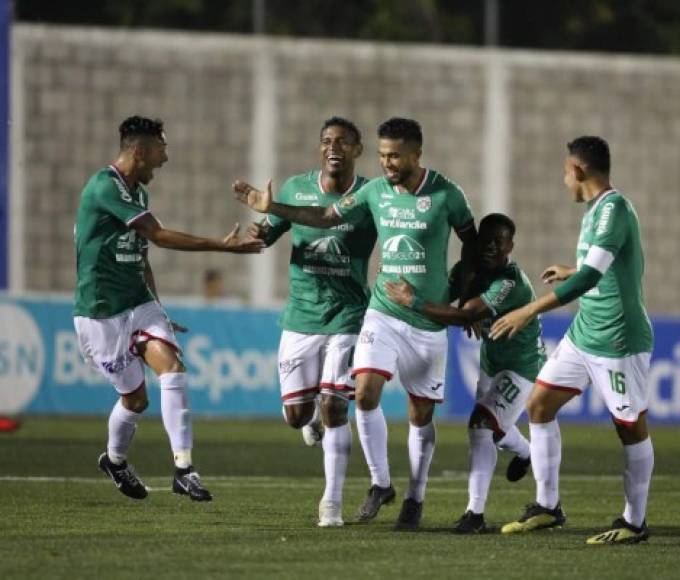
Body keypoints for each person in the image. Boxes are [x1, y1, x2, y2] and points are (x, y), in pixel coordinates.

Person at [234, 117, 477, 531]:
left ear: (417, 154)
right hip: (379, 311)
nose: (387, 163)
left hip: (425, 318)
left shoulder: (447, 194)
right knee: (359, 395)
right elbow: (327, 217)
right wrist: (270, 209)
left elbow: (472, 247)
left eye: (395, 155)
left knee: (419, 415)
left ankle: (414, 497)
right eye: (383, 155)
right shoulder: (374, 191)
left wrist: (462, 297)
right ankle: (377, 484)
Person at [74, 116, 264, 502]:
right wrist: (222, 246)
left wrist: (157, 308)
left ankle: (184, 469)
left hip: (138, 303)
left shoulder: (137, 193)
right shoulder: (104, 187)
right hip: (101, 310)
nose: (165, 158)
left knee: (173, 368)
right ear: (140, 151)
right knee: (135, 400)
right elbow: (158, 236)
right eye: (161, 148)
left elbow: (143, 256)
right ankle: (115, 459)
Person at [491, 136, 654, 545]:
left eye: (565, 171)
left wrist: (530, 309)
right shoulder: (596, 211)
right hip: (585, 333)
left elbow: (592, 278)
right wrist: (572, 268)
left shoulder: (614, 209)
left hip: (618, 339)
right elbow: (595, 265)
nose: (564, 179)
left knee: (630, 427)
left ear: (579, 171)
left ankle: (634, 522)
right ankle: (548, 506)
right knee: (539, 405)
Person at [245, 117, 376, 527]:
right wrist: (254, 236)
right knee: (296, 416)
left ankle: (330, 504)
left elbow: (384, 235)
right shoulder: (293, 189)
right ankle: (312, 417)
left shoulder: (372, 196)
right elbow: (269, 232)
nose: (333, 147)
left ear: (358, 149)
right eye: (326, 141)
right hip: (301, 317)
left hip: (349, 316)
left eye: (342, 142)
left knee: (337, 406)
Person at [383, 213, 546, 534]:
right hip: (491, 361)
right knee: (493, 428)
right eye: (486, 240)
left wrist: (418, 301)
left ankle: (475, 514)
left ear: (510, 246)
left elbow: (461, 314)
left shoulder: (510, 283)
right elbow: (447, 301)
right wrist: (459, 302)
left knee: (481, 425)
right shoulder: (470, 269)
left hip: (522, 366)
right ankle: (527, 452)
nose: (491, 247)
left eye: (499, 242)